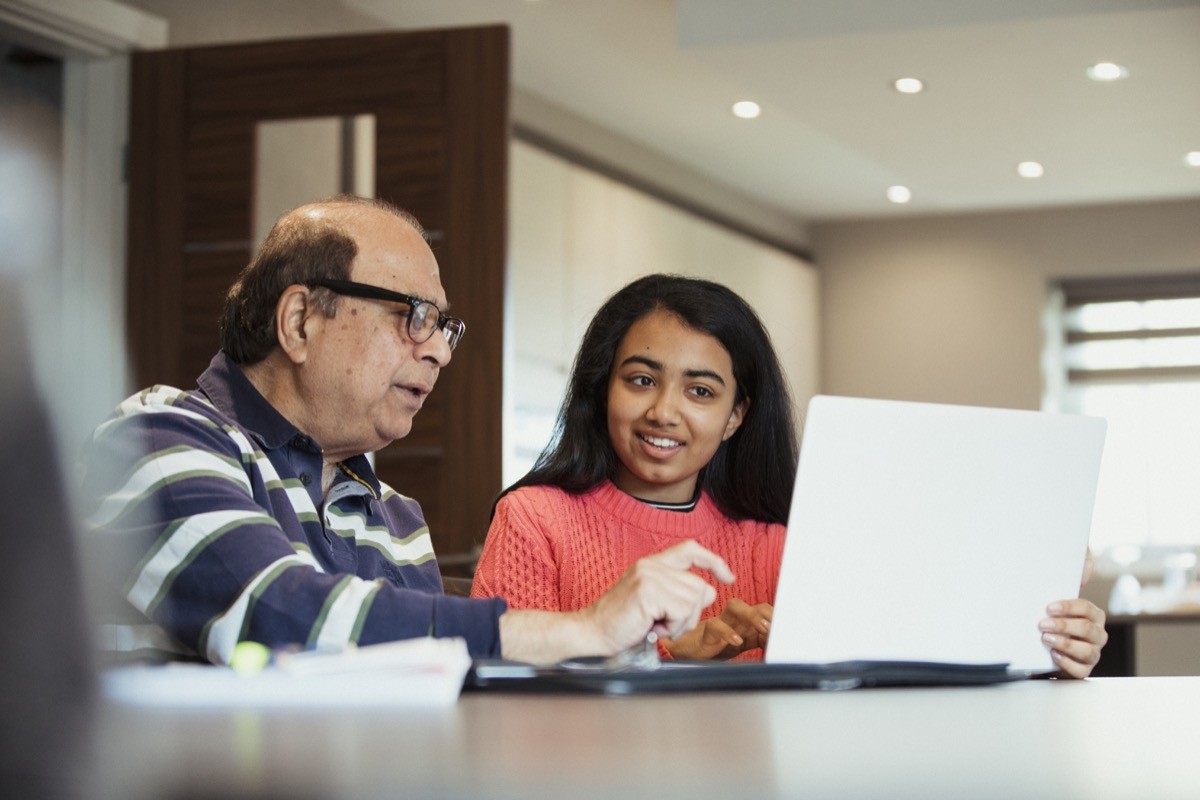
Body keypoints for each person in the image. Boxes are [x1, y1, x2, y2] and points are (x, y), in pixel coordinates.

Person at [81, 196, 733, 667]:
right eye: (414, 317)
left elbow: (421, 676)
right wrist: (585, 627)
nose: (440, 352)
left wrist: (648, 656)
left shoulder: (391, 514)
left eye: (443, 328)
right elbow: (278, 617)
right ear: (301, 320)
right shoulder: (154, 440)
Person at [472, 274, 1108, 676]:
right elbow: (499, 685)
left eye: (701, 390)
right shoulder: (536, 518)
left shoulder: (780, 540)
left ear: (735, 416)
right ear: (601, 388)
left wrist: (1046, 642)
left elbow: (904, 651)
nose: (663, 410)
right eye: (641, 380)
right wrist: (668, 658)